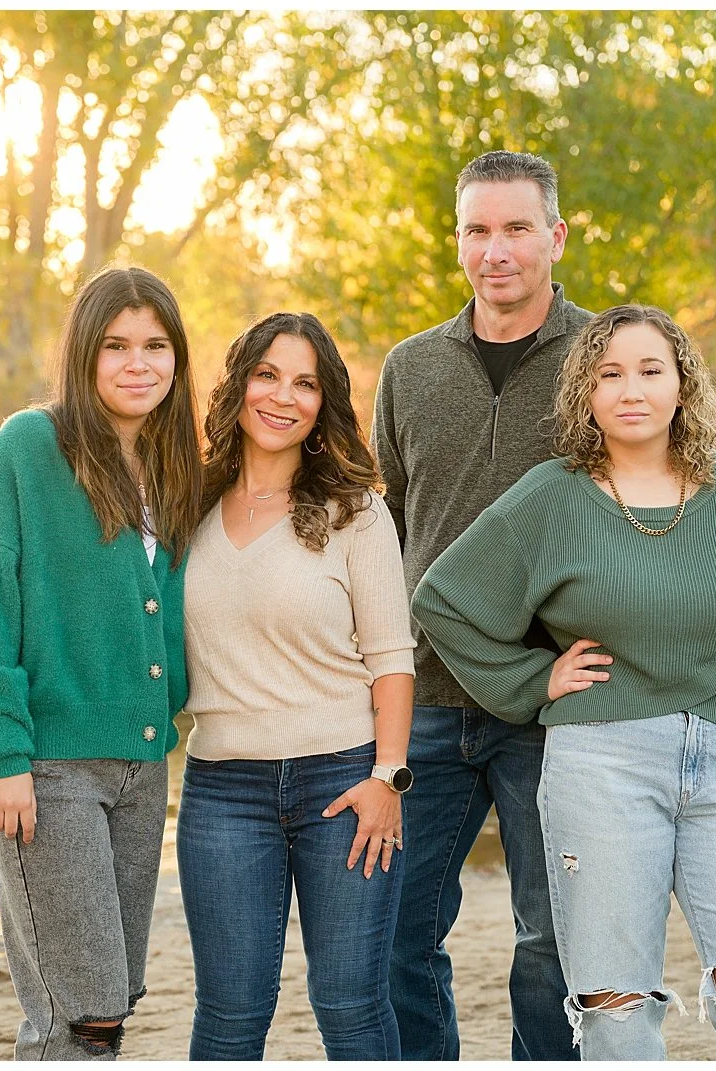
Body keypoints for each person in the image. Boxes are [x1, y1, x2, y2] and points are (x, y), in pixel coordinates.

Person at [410, 304, 716, 1061]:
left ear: (683, 386)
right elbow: (442, 599)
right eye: (609, 374)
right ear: (587, 394)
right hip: (600, 764)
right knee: (614, 1005)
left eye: (650, 370)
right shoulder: (553, 496)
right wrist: (533, 678)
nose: (630, 389)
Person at [0, 266, 204, 1060]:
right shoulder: (28, 447)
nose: (138, 363)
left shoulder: (173, 465)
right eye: (116, 345)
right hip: (49, 771)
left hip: (143, 767)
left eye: (157, 346)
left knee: (109, 1001)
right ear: (84, 354)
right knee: (77, 1012)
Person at [373, 149, 592, 1060]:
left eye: (514, 228)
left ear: (556, 236)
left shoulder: (604, 357)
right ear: (457, 240)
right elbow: (386, 523)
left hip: (558, 703)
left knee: (551, 942)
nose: (494, 250)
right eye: (476, 230)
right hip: (425, 701)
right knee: (393, 933)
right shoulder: (409, 368)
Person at [177, 312, 416, 1060]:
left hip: (345, 784)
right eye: (268, 374)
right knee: (228, 1014)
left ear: (324, 404)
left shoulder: (357, 512)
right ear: (240, 384)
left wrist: (388, 779)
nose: (284, 396)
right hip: (221, 790)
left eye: (305, 382)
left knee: (349, 1007)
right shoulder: (185, 505)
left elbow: (393, 660)